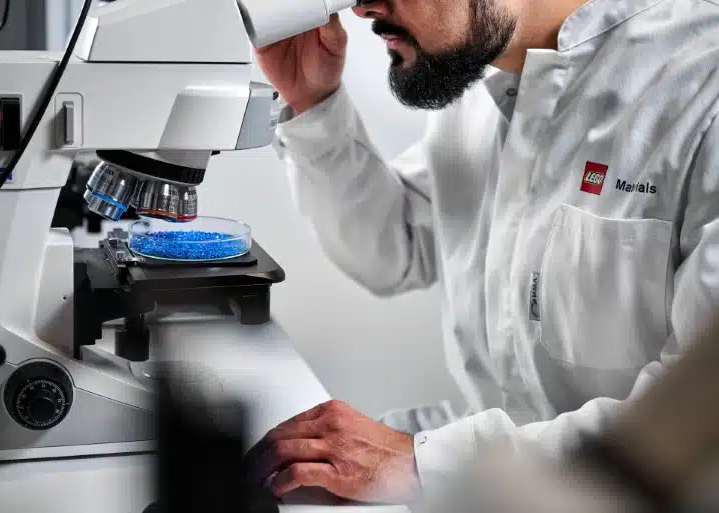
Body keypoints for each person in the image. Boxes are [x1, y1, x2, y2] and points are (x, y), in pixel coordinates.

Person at [243, 0, 719, 505]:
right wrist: (313, 104)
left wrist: (424, 463)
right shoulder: (481, 74)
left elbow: (697, 423)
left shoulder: (700, 90)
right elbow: (394, 251)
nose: (363, 9)